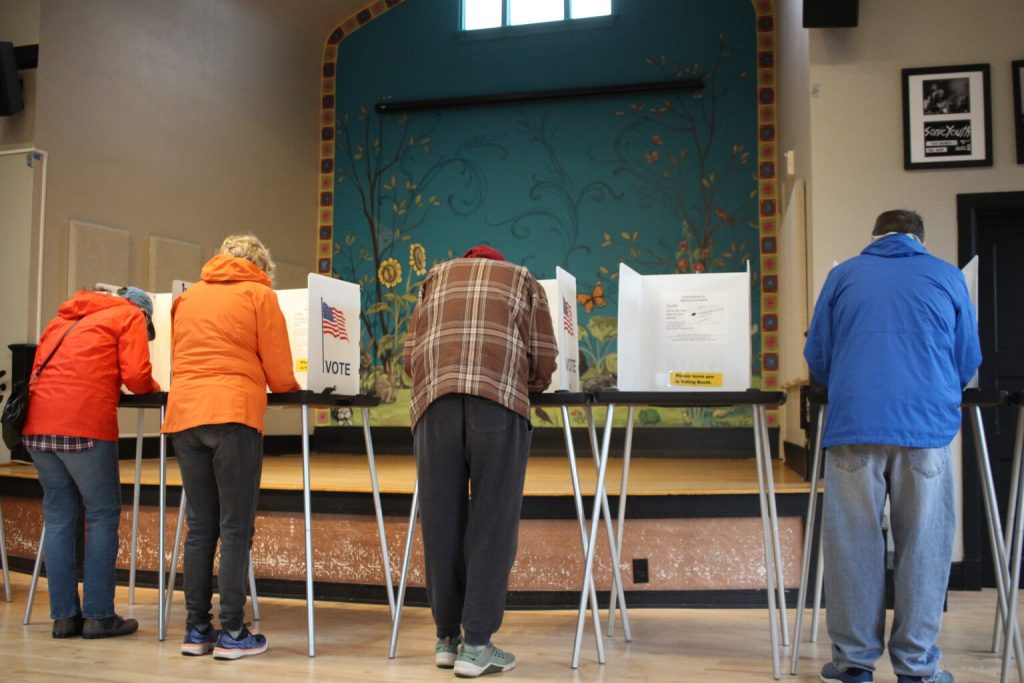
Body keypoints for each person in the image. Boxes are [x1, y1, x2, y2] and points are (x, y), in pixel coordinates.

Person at [804, 210, 982, 683]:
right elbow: (967, 358)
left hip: (854, 426)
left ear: (874, 237)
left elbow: (818, 356)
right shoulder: (947, 276)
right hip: (925, 430)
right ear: (919, 239)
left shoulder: (843, 276)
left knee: (853, 545)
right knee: (924, 545)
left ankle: (854, 664)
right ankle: (917, 668)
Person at [403, 244, 558, 678]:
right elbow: (543, 358)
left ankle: (446, 639)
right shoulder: (522, 278)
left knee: (441, 521)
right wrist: (527, 383)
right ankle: (476, 646)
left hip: (435, 406)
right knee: (493, 522)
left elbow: (409, 357)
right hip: (497, 404)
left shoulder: (434, 277)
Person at [162, 234, 300, 660]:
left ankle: (196, 630)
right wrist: (290, 387)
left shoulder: (188, 298)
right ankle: (234, 632)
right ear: (261, 265)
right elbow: (279, 368)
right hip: (233, 414)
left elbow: (179, 357)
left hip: (185, 415)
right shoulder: (259, 295)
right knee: (235, 526)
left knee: (201, 526)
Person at [22, 286, 161, 639]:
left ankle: (64, 617)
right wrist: (155, 388)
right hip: (84, 426)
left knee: (59, 518)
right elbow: (137, 377)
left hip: (37, 427)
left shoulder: (64, 317)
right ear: (143, 314)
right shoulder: (129, 316)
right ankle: (99, 616)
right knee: (101, 515)